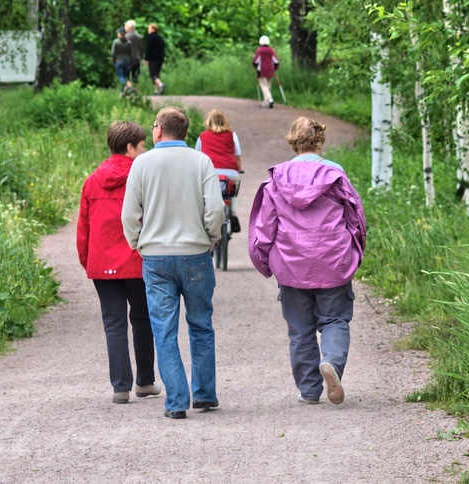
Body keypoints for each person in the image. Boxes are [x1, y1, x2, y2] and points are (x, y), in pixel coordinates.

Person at [248, 117, 367, 405]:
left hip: (291, 266)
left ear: (293, 141)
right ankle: (332, 364)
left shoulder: (277, 178)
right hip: (333, 260)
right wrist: (355, 252)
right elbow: (356, 219)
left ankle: (309, 391)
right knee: (335, 319)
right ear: (320, 141)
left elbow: (264, 228)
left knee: (300, 330)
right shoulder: (335, 175)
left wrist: (263, 261)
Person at [121, 106, 225, 419]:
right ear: (183, 132)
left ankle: (177, 401)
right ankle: (205, 394)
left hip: (155, 257)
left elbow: (128, 214)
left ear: (158, 130)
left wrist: (137, 243)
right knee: (201, 324)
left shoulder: (142, 163)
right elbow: (216, 210)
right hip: (195, 253)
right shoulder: (201, 161)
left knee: (164, 331)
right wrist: (211, 238)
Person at [76, 121, 161, 405]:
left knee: (113, 324)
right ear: (129, 147)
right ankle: (145, 382)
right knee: (143, 320)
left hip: (103, 265)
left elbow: (84, 228)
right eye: (142, 145)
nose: (145, 149)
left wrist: (89, 262)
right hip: (138, 261)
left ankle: (120, 388)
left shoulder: (92, 180)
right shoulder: (143, 176)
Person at [195, 109, 242, 232]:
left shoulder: (203, 136)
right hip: (230, 171)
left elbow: (197, 156)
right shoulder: (232, 135)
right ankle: (233, 213)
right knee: (232, 192)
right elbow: (237, 156)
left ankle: (206, 214)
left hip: (210, 172)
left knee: (206, 193)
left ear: (209, 122)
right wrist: (239, 170)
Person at [252, 35, 279, 109]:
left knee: (264, 87)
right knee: (268, 86)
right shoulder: (271, 50)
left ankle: (270, 100)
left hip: (262, 71)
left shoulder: (259, 50)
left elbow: (255, 61)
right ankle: (265, 102)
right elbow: (276, 61)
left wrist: (255, 67)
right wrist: (275, 68)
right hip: (270, 71)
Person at [144, 23, 166, 95]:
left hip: (153, 59)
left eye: (149, 28)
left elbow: (148, 49)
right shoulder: (160, 38)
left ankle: (161, 85)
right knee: (157, 75)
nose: (148, 30)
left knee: (152, 75)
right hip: (160, 59)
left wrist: (146, 58)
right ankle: (155, 91)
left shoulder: (150, 38)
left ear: (153, 29)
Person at [111, 27, 133, 94]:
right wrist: (131, 62)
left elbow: (113, 53)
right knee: (126, 77)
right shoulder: (129, 42)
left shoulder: (116, 42)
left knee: (121, 76)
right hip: (127, 61)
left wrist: (114, 60)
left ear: (119, 34)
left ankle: (126, 86)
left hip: (119, 61)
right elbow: (131, 53)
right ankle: (123, 91)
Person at [124, 20, 143, 89]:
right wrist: (141, 58)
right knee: (135, 77)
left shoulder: (125, 37)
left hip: (128, 59)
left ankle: (130, 90)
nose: (124, 27)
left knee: (126, 76)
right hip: (137, 59)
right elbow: (141, 49)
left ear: (129, 27)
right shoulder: (139, 37)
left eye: (126, 26)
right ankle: (137, 92)